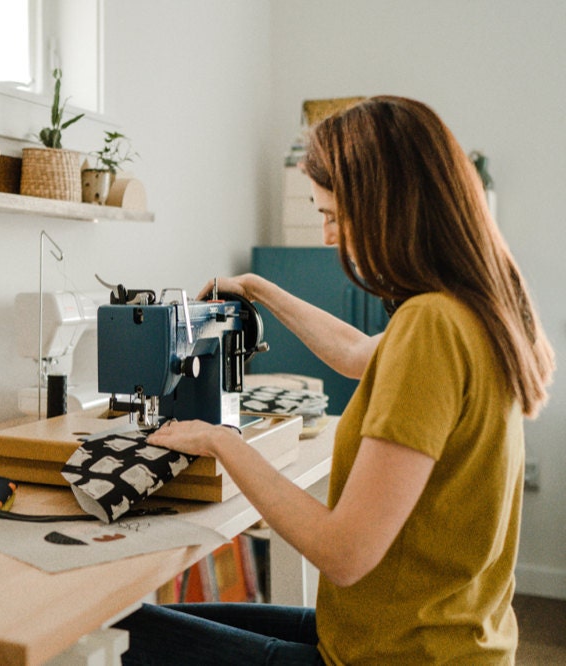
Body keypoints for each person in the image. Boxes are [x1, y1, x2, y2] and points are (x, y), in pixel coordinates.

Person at [114, 96, 555, 664]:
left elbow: (344, 553)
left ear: (385, 208)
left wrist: (222, 441)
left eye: (332, 215)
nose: (326, 236)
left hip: (404, 655)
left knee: (119, 634)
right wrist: (259, 287)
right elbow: (355, 353)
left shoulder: (432, 326)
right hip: (433, 634)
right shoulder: (470, 310)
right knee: (144, 622)